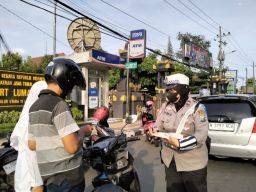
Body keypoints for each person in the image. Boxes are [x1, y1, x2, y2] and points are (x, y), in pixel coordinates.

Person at [27, 58, 86, 191]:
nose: (71, 89)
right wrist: (84, 131)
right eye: (72, 85)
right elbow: (71, 147)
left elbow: (32, 144)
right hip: (67, 178)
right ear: (66, 79)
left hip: (49, 179)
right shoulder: (59, 105)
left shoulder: (34, 107)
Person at [152, 73, 208, 192]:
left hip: (192, 163)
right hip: (170, 160)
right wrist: (154, 131)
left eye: (172, 89)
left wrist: (180, 144)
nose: (169, 93)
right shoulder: (165, 106)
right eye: (168, 90)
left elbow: (201, 135)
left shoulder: (198, 108)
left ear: (183, 90)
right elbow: (158, 125)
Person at [10, 80, 47, 192]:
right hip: (31, 181)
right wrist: (38, 183)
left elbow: (16, 143)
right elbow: (32, 153)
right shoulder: (31, 120)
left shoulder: (28, 116)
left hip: (26, 175)